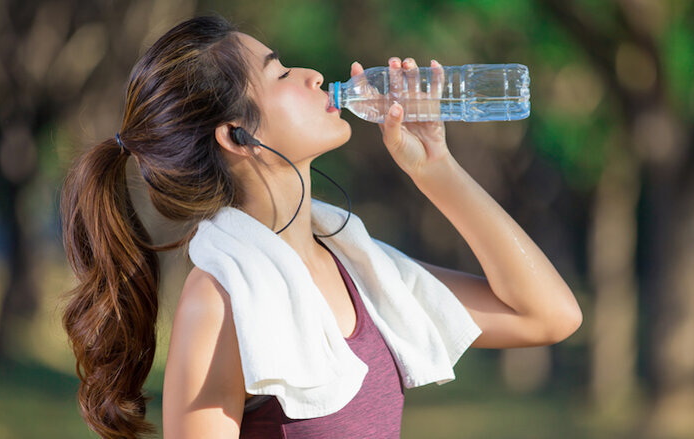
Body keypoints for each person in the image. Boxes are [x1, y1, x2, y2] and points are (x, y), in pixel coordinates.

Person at [59, 15, 582, 439]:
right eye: (280, 74)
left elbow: (548, 316)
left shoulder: (361, 270)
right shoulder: (219, 302)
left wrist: (435, 169)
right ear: (238, 137)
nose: (312, 75)